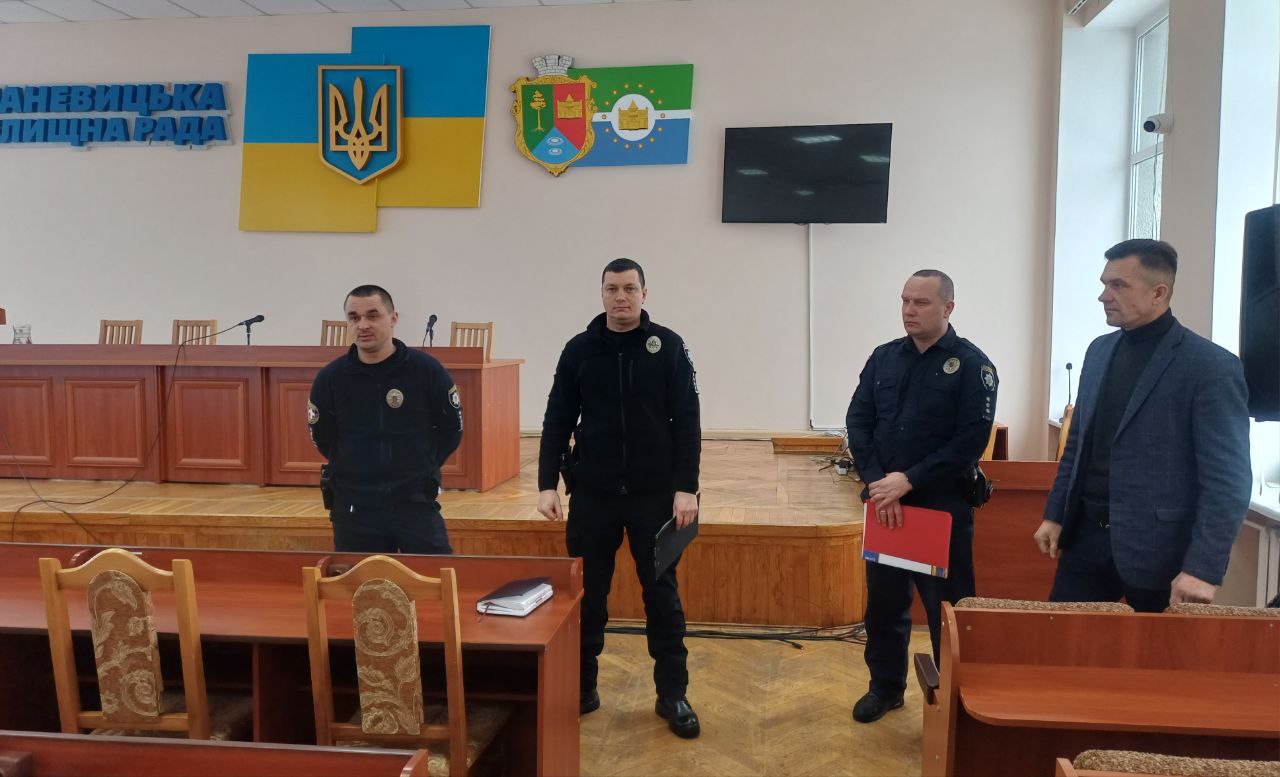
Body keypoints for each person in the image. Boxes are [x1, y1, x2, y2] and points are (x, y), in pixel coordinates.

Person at [1035, 239, 1251, 611]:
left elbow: (1227, 480)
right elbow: (1078, 445)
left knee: (1157, 650)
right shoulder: (1099, 351)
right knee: (1064, 642)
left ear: (1158, 293)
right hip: (1085, 540)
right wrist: (1055, 514)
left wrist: (1203, 568)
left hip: (1161, 551)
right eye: (1104, 283)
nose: (1104, 295)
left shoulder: (1210, 367)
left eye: (1118, 285)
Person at [537, 258, 702, 739]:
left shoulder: (668, 347)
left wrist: (686, 486)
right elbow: (556, 419)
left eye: (630, 288)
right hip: (594, 496)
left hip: (655, 497)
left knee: (662, 598)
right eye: (612, 289)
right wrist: (547, 483)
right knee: (587, 598)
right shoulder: (579, 350)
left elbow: (687, 421)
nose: (621, 297)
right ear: (602, 294)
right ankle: (582, 688)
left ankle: (672, 693)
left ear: (644, 294)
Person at [845, 269, 997, 724]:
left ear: (948, 307)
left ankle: (954, 702)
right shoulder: (884, 358)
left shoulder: (972, 366)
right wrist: (880, 483)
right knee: (884, 605)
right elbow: (858, 422)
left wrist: (908, 480)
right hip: (886, 506)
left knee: (945, 611)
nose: (909, 310)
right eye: (905, 301)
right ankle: (885, 688)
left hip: (939, 507)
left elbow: (970, 441)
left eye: (921, 303)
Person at [308, 284, 463, 554]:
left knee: (433, 575)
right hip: (355, 508)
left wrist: (422, 465)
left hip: (415, 502)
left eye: (373, 315)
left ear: (393, 318)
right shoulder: (331, 378)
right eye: (354, 317)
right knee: (362, 581)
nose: (363, 325)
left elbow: (451, 430)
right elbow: (323, 438)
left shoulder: (426, 370)